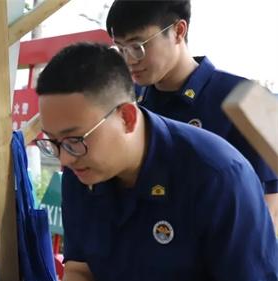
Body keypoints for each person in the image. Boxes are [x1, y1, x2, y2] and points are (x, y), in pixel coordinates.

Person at [32, 43, 278, 281]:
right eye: (54, 144)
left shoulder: (216, 173)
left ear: (128, 118)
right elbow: (81, 268)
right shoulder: (82, 171)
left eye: (75, 140)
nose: (65, 159)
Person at [106, 0, 278, 227]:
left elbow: (270, 208)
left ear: (178, 31)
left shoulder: (247, 99)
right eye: (120, 49)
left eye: (138, 47)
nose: (129, 60)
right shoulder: (125, 105)